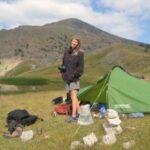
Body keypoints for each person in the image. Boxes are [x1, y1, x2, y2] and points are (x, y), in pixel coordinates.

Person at [59, 38, 84, 122]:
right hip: (66, 78)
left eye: (76, 42)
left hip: (74, 78)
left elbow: (80, 68)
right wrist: (62, 73)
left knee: (73, 97)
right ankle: (80, 113)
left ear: (78, 44)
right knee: (74, 97)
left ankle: (73, 116)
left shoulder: (80, 54)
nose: (73, 43)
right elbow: (63, 64)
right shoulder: (67, 52)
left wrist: (73, 76)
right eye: (73, 41)